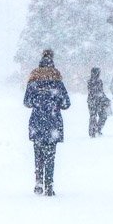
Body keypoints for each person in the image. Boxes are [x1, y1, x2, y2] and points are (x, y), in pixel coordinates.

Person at [24, 49, 70, 196]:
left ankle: (38, 183)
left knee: (38, 155)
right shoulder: (57, 80)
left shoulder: (33, 80)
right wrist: (54, 103)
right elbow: (66, 104)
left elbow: (27, 102)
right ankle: (49, 186)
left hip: (37, 122)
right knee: (50, 155)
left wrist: (39, 101)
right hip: (53, 123)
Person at [86, 67, 110, 137]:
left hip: (97, 101)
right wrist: (103, 98)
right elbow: (97, 92)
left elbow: (101, 92)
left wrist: (105, 98)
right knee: (94, 116)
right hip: (94, 101)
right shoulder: (92, 81)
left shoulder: (98, 81)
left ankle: (96, 130)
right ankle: (93, 131)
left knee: (101, 116)